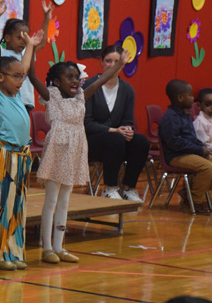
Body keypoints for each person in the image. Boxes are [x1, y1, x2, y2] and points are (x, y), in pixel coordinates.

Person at [27, 50, 127, 265]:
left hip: (74, 150)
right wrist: (32, 48)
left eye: (76, 77)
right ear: (56, 81)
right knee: (51, 200)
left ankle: (59, 247)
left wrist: (120, 65)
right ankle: (47, 248)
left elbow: (101, 80)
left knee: (65, 200)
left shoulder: (81, 95)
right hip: (57, 150)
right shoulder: (52, 96)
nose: (75, 81)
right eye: (69, 77)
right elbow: (32, 76)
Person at [0, 30, 41, 270]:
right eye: (16, 77)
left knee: (17, 207)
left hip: (22, 158)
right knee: (2, 205)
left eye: (23, 77)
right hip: (5, 157)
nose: (21, 81)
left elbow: (24, 65)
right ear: (0, 77)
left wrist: (31, 45)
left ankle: (13, 252)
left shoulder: (15, 95)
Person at [83, 44, 150, 202]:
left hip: (117, 140)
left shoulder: (128, 90)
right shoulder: (89, 86)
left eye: (117, 61)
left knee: (141, 142)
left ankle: (128, 188)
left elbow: (128, 121)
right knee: (116, 138)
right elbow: (86, 123)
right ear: (101, 62)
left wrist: (127, 130)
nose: (112, 65)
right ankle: (109, 187)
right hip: (91, 141)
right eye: (108, 61)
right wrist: (114, 130)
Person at [159, 79, 212, 215]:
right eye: (190, 95)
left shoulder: (185, 114)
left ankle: (189, 192)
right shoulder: (170, 118)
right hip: (176, 156)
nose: (193, 98)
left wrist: (200, 147)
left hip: (189, 152)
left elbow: (192, 138)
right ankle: (195, 201)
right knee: (207, 167)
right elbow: (175, 143)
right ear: (180, 98)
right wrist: (199, 149)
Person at [0, 0, 53, 112]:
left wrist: (47, 18)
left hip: (26, 102)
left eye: (26, 37)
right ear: (7, 37)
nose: (23, 41)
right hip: (9, 101)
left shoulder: (27, 52)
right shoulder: (2, 54)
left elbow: (41, 42)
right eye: (19, 38)